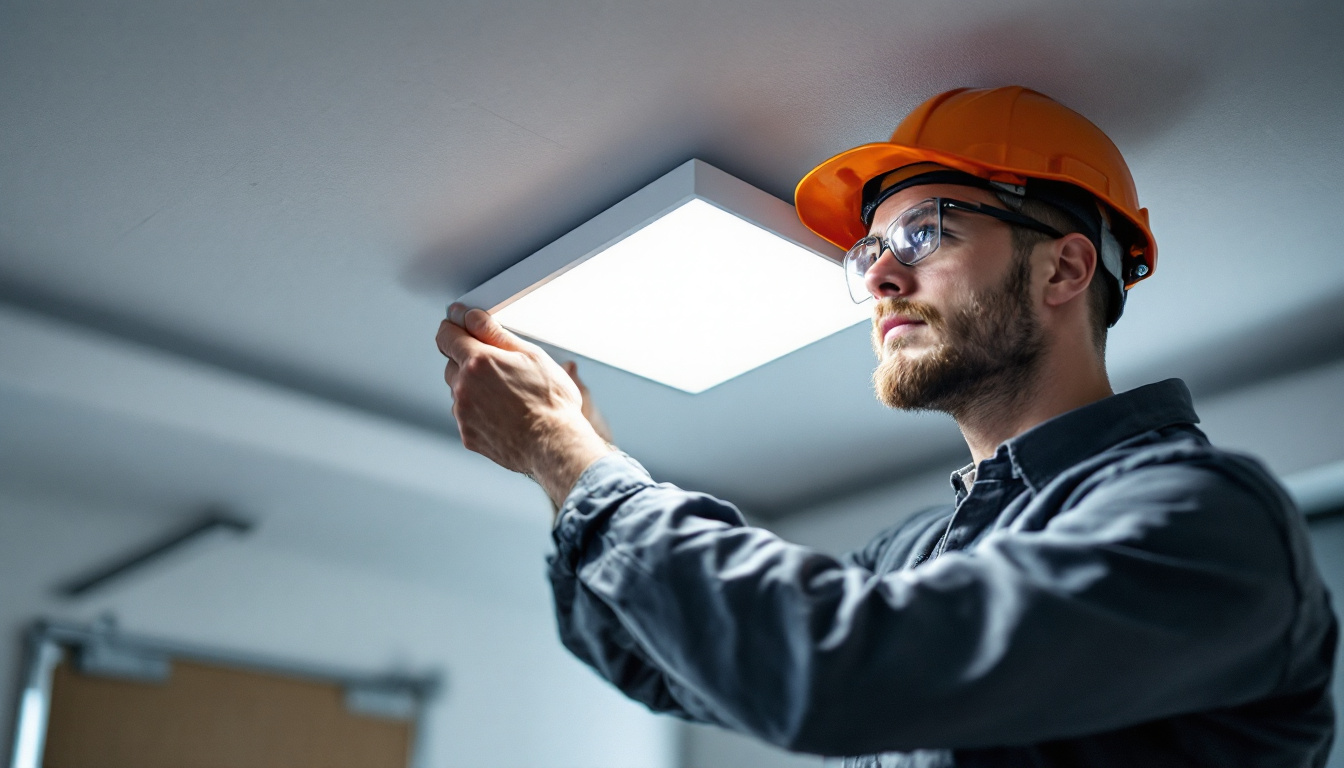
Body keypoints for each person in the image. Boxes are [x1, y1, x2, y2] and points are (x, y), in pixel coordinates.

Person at [435, 86, 1337, 767]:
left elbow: (833, 671)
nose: (875, 279)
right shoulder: (918, 551)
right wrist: (571, 473)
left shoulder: (1203, 517)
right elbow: (660, 661)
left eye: (923, 234)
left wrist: (573, 461)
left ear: (1064, 269)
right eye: (869, 252)